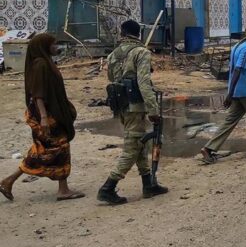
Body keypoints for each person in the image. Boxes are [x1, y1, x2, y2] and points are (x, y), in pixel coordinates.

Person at [0, 34, 83, 202]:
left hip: (49, 113)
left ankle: (8, 181)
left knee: (44, 150)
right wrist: (44, 117)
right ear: (44, 46)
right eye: (53, 44)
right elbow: (38, 94)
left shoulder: (45, 62)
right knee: (60, 148)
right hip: (47, 116)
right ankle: (63, 189)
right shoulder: (41, 65)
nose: (56, 47)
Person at [98, 20, 168, 205]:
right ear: (139, 34)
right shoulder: (141, 52)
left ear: (122, 33)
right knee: (132, 147)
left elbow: (113, 80)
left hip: (121, 105)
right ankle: (108, 187)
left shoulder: (113, 55)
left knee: (140, 143)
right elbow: (144, 83)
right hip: (136, 106)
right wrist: (153, 109)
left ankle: (148, 184)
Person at [200, 26, 246, 164]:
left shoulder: (237, 46)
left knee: (229, 121)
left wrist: (232, 91)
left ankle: (209, 148)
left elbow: (235, 70)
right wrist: (229, 94)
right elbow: (237, 69)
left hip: (238, 90)